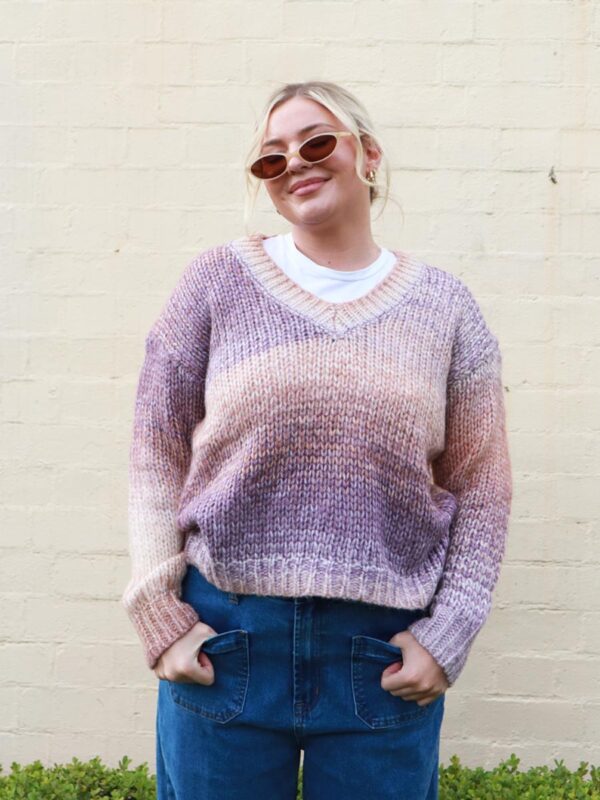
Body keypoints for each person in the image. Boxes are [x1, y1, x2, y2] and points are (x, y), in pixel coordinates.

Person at [122, 80, 513, 800]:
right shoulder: (216, 282)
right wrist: (161, 615)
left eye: (317, 142)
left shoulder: (446, 309)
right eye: (271, 159)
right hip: (226, 640)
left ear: (367, 153)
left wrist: (450, 630)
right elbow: (156, 449)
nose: (295, 163)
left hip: (382, 656)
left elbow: (482, 486)